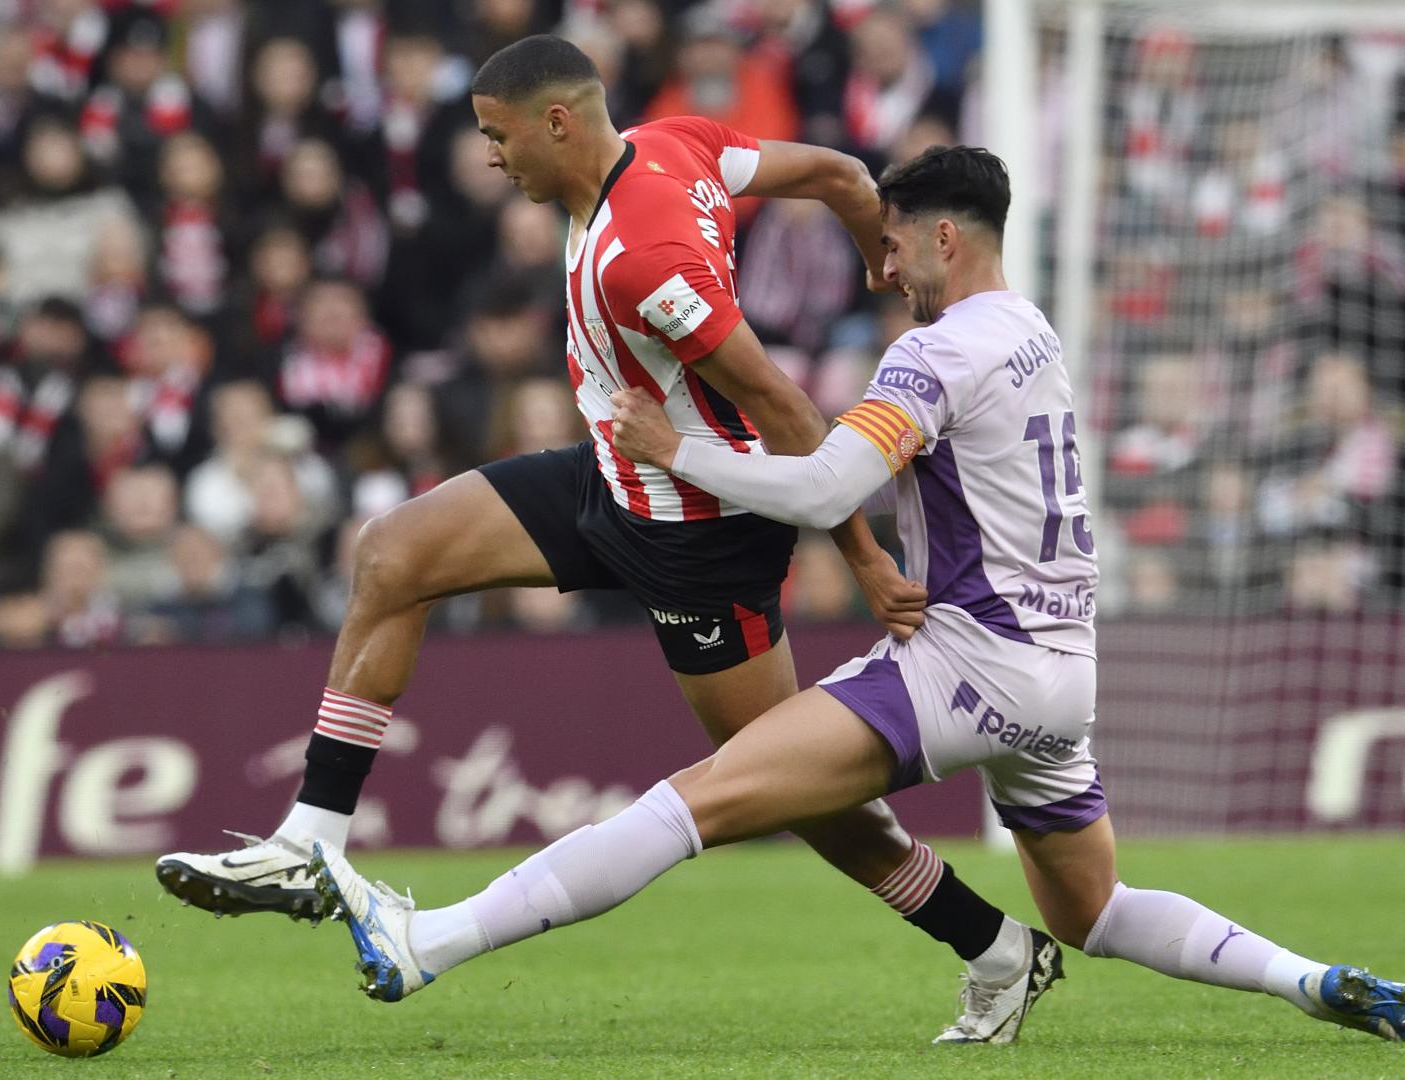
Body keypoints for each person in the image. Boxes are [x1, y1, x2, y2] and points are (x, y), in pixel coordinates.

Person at [306, 146, 1405, 1046]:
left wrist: (674, 448)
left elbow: (822, 489)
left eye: (895, 245)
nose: (885, 269)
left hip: (970, 659)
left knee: (697, 801)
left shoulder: (937, 353)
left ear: (945, 239)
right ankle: (1308, 982)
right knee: (1093, 912)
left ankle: (428, 942)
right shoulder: (1036, 334)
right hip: (1065, 674)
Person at [156, 36, 1049, 1043]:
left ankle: (997, 946)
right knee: (392, 552)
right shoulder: (680, 144)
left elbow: (782, 405)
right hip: (611, 478)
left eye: (500, 138)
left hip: (701, 539)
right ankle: (310, 842)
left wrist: (866, 558)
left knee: (800, 794)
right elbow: (843, 173)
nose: (493, 161)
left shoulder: (646, 259)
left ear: (559, 124)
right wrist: (886, 271)